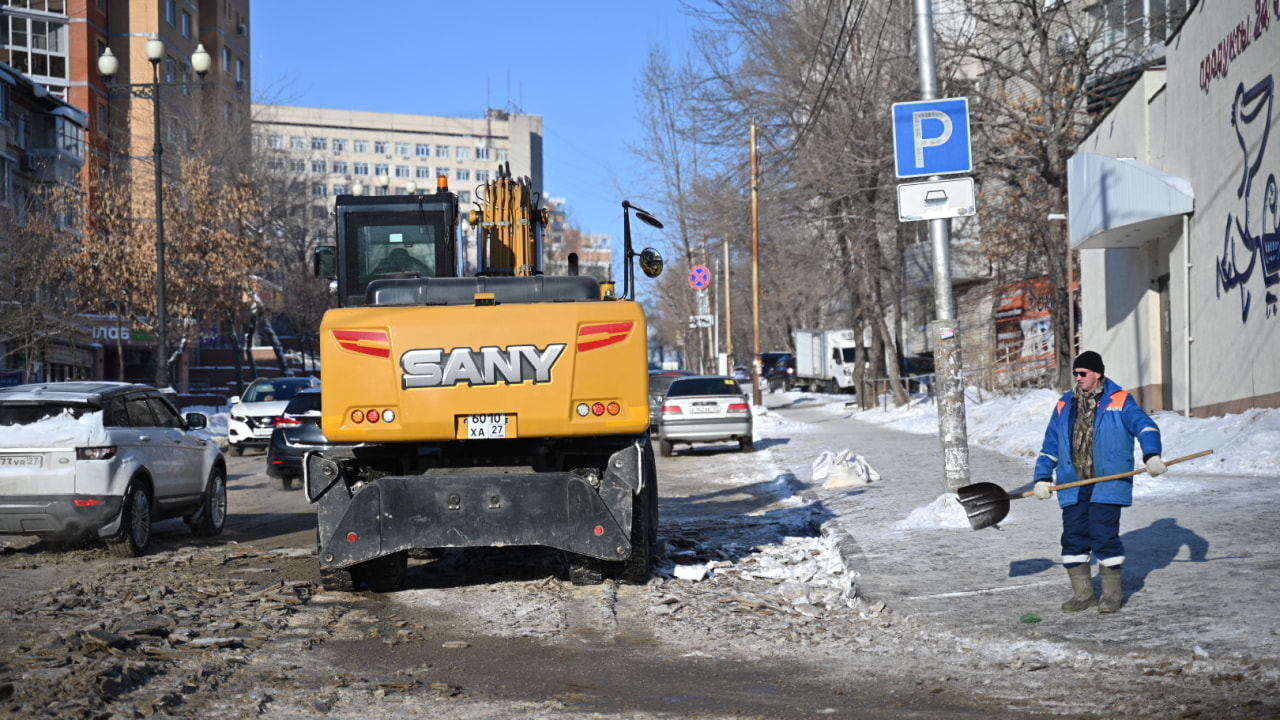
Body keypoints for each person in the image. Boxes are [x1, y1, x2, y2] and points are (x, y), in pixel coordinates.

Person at [1031, 350, 1166, 613]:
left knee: (1104, 536)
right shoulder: (1064, 404)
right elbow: (1050, 446)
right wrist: (1042, 477)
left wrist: (1151, 454)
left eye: (1083, 373)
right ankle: (1083, 595)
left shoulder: (1120, 400)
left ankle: (1112, 595)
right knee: (1073, 538)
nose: (1078, 378)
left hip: (1107, 482)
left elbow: (1145, 426)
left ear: (1097, 374)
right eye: (1076, 374)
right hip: (1072, 484)